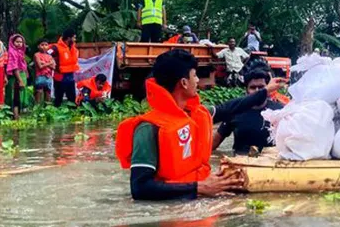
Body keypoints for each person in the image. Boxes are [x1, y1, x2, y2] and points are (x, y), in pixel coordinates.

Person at [115, 49, 287, 200]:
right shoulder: (148, 128)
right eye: (194, 75)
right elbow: (139, 189)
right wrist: (200, 188)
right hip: (177, 209)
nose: (197, 80)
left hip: (201, 199)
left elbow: (229, 108)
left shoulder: (195, 113)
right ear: (183, 82)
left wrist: (265, 91)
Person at [215, 60, 284, 155]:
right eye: (253, 87)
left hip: (270, 164)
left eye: (261, 87)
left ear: (268, 88)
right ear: (246, 90)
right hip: (240, 164)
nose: (257, 91)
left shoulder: (280, 111)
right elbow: (213, 144)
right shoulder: (235, 111)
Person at [49, 29, 80, 107]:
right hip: (60, 76)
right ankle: (55, 112)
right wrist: (51, 63)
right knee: (58, 97)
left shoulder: (73, 48)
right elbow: (46, 54)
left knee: (72, 97)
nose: (75, 39)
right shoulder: (55, 47)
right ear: (68, 38)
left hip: (70, 75)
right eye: (74, 38)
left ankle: (73, 112)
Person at [5, 34, 28, 119]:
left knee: (21, 95)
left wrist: (26, 74)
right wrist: (20, 80)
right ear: (12, 42)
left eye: (21, 42)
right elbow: (14, 67)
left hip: (22, 75)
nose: (19, 43)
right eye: (17, 42)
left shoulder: (21, 52)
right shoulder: (12, 52)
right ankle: (15, 116)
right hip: (15, 78)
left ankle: (19, 115)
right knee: (15, 96)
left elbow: (23, 65)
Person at [33, 40, 55, 105]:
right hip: (40, 76)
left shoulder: (50, 56)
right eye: (42, 45)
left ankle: (47, 109)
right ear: (38, 46)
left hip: (49, 77)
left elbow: (53, 67)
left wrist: (44, 63)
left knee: (48, 93)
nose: (44, 47)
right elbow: (40, 66)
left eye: (46, 45)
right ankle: (37, 110)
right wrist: (49, 63)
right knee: (38, 92)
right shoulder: (36, 54)